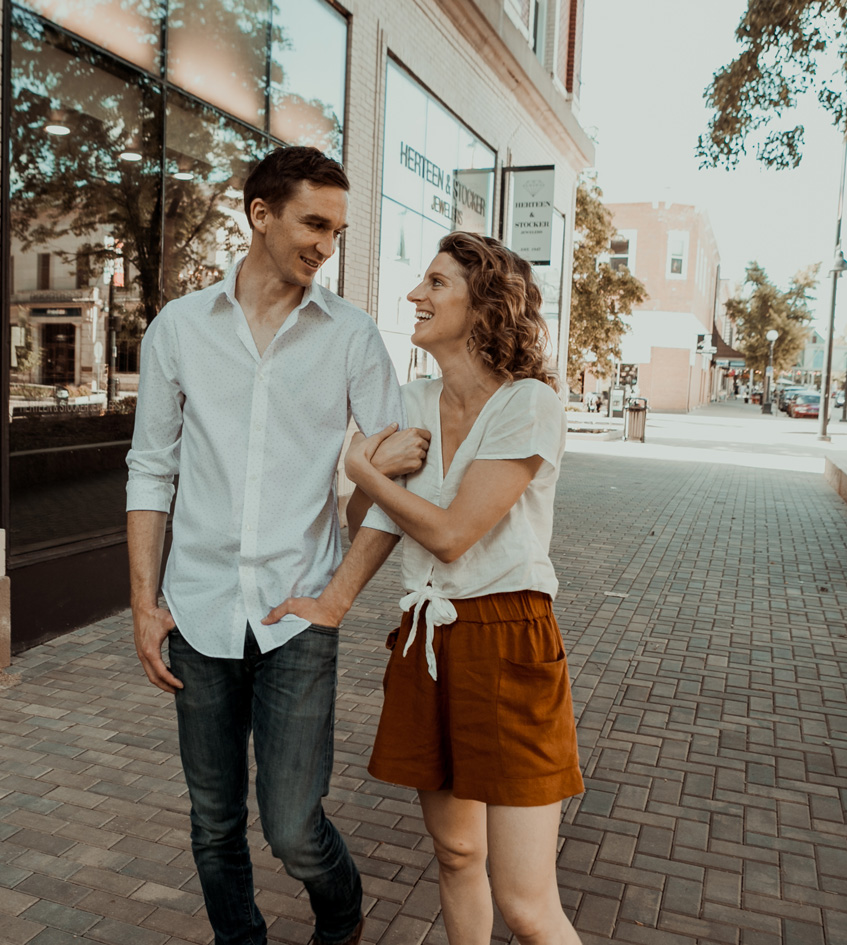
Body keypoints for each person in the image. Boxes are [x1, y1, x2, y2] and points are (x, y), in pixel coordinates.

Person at [125, 146, 428, 945]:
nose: (326, 245)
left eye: (336, 231)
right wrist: (144, 604)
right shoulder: (179, 328)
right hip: (198, 611)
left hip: (299, 613)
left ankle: (341, 911)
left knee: (292, 826)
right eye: (313, 224)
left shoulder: (351, 336)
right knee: (214, 821)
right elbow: (151, 470)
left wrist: (337, 598)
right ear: (261, 214)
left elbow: (398, 480)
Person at [344, 232, 585, 945]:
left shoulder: (528, 404)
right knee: (455, 853)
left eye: (436, 283)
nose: (415, 295)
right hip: (427, 639)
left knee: (526, 903)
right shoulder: (412, 400)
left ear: (485, 305)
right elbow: (368, 521)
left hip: (508, 640)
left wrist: (364, 469)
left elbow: (452, 536)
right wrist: (372, 479)